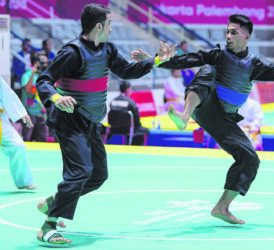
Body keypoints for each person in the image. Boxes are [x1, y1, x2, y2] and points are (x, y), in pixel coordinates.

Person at [133, 14, 274, 225]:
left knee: (250, 159)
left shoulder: (255, 64)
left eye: (234, 32)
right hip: (203, 104)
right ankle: (184, 116)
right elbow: (186, 60)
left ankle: (222, 206)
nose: (228, 36)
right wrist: (154, 60)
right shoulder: (217, 55)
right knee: (207, 67)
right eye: (227, 32)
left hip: (223, 119)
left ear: (247, 36)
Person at [35, 3, 175, 245]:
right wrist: (57, 97)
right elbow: (44, 80)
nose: (112, 28)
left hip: (91, 120)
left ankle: (55, 200)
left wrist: (156, 61)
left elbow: (127, 71)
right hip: (69, 120)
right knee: (80, 171)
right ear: (99, 26)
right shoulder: (72, 52)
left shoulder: (107, 49)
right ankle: (48, 225)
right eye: (109, 24)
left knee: (98, 175)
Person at [0, 76, 36, 190]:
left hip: (1, 120)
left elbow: (7, 94)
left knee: (18, 146)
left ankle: (24, 181)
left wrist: (21, 113)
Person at [107, 80, 149, 145]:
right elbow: (136, 118)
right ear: (127, 89)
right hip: (128, 129)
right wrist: (138, 126)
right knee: (145, 131)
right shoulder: (130, 102)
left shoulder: (113, 101)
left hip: (114, 128)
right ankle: (133, 146)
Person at [21, 52, 49, 142]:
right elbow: (27, 89)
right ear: (36, 63)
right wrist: (33, 73)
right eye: (43, 62)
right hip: (29, 114)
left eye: (46, 62)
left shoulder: (45, 76)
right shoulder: (27, 75)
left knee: (43, 141)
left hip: (42, 114)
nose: (45, 65)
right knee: (27, 140)